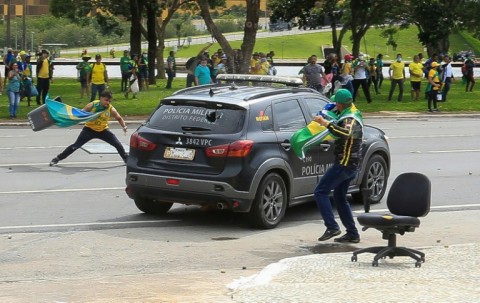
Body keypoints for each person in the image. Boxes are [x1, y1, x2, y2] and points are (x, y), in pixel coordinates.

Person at [313, 89, 363, 243]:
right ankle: (352, 233)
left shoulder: (350, 119)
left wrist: (325, 123)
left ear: (340, 104)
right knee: (339, 197)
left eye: (336, 103)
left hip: (344, 164)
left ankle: (332, 227)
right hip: (350, 164)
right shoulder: (351, 112)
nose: (335, 105)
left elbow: (346, 133)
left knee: (320, 192)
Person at [49, 91, 128, 166]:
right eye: (106, 100)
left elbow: (119, 118)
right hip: (89, 130)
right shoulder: (92, 105)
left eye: (109, 101)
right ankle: (57, 158)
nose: (107, 103)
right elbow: (80, 113)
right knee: (75, 146)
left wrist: (124, 126)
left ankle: (126, 159)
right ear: (101, 98)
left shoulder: (110, 109)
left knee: (117, 144)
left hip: (103, 130)